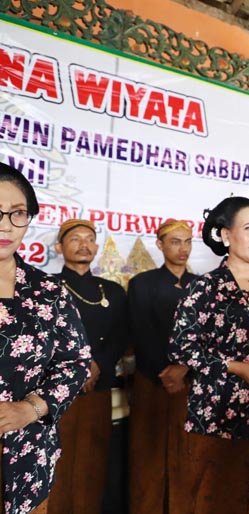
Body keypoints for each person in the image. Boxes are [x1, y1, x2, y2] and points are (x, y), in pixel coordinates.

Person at [168, 197, 249, 514]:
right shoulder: (205, 287)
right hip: (218, 410)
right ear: (226, 235)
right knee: (217, 496)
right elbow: (181, 345)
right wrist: (234, 366)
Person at [0, 163, 90, 514]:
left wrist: (30, 409)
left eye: (17, 213)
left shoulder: (48, 291)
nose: (5, 225)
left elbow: (76, 362)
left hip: (27, 460)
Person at [48, 219, 129, 514]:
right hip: (56, 394)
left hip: (99, 387)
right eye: (75, 239)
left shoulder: (113, 291)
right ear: (59, 247)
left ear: (96, 247)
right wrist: (81, 369)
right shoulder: (47, 287)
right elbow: (46, 338)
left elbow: (122, 334)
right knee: (59, 465)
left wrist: (99, 366)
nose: (84, 244)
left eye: (89, 239)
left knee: (93, 464)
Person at [127, 220, 196, 514]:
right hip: (151, 381)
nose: (183, 249)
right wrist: (166, 371)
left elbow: (204, 334)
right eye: (176, 242)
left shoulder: (201, 285)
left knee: (188, 454)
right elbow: (140, 332)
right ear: (160, 245)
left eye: (188, 242)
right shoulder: (143, 283)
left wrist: (185, 369)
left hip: (191, 383)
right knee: (149, 455)